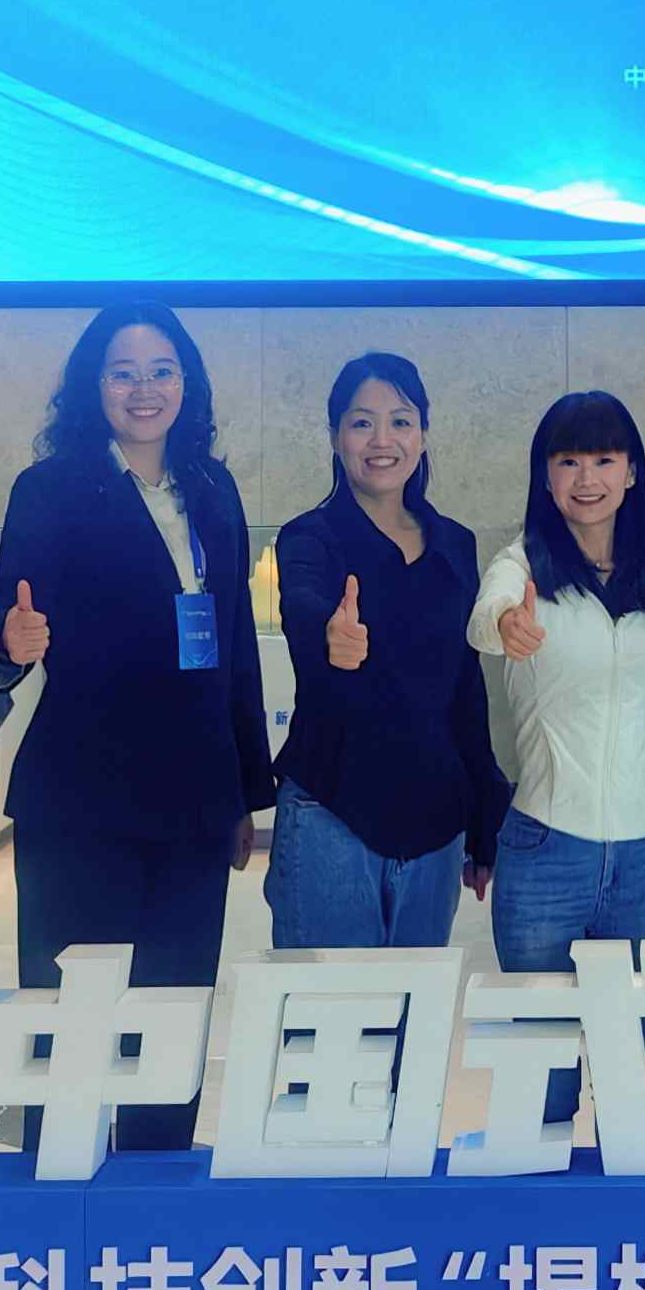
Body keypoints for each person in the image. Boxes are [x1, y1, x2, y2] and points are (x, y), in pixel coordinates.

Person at [0, 304, 271, 1155]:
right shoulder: (52, 486)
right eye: (123, 372)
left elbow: (234, 646)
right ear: (92, 385)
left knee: (171, 1018)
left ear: (187, 383)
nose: (145, 390)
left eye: (161, 370)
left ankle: (157, 1191)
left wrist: (243, 790)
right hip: (82, 797)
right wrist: (9, 636)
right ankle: (59, 1193)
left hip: (194, 796)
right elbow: (4, 598)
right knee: (69, 1020)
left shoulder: (211, 488)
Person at [472, 391, 645, 1130]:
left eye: (604, 459)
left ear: (631, 471)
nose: (586, 478)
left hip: (641, 861)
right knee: (539, 1084)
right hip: (544, 855)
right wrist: (505, 623)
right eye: (567, 461)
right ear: (545, 476)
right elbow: (487, 616)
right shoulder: (522, 568)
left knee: (623, 1077)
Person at [266, 351, 506, 947]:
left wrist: (485, 816)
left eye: (400, 421)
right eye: (361, 422)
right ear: (335, 436)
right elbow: (302, 603)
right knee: (329, 1005)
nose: (382, 440)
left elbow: (465, 691)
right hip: (332, 814)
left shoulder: (454, 544)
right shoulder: (310, 537)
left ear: (422, 434)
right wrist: (329, 634)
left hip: (436, 825)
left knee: (415, 1005)